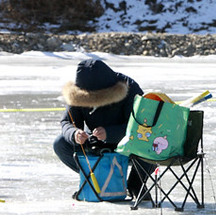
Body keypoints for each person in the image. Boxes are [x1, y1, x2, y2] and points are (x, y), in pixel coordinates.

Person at [54, 58, 149, 198]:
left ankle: (136, 183)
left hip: (128, 143)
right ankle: (94, 180)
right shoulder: (78, 92)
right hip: (94, 142)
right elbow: (67, 123)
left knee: (152, 142)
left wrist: (110, 133)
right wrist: (75, 134)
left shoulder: (130, 87)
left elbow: (140, 127)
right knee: (61, 143)